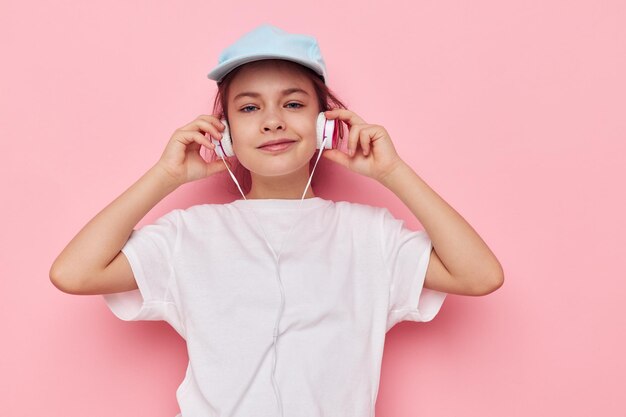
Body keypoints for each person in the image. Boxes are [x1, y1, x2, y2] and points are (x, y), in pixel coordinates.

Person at [50, 24, 504, 417]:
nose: (271, 122)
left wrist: (393, 173)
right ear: (223, 132)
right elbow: (74, 272)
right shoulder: (189, 234)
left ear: (326, 124)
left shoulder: (369, 235)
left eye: (293, 104)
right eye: (249, 108)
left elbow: (479, 275)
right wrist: (164, 177)